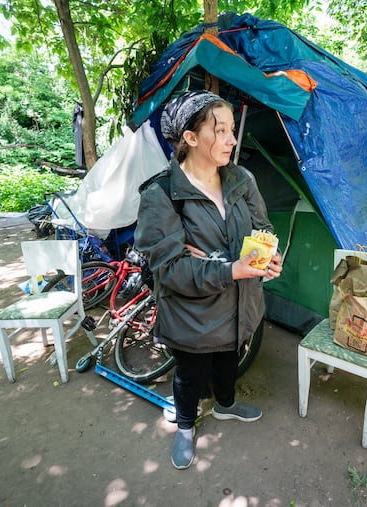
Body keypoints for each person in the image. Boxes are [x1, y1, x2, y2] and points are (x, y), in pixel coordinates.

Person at [134, 90, 283, 470]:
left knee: (229, 358)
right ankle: (185, 427)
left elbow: (263, 229)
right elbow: (169, 269)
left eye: (232, 130)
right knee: (191, 373)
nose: (232, 140)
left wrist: (267, 258)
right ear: (190, 137)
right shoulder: (163, 194)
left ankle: (226, 405)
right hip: (192, 314)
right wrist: (232, 268)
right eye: (220, 131)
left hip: (239, 304)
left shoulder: (241, 179)